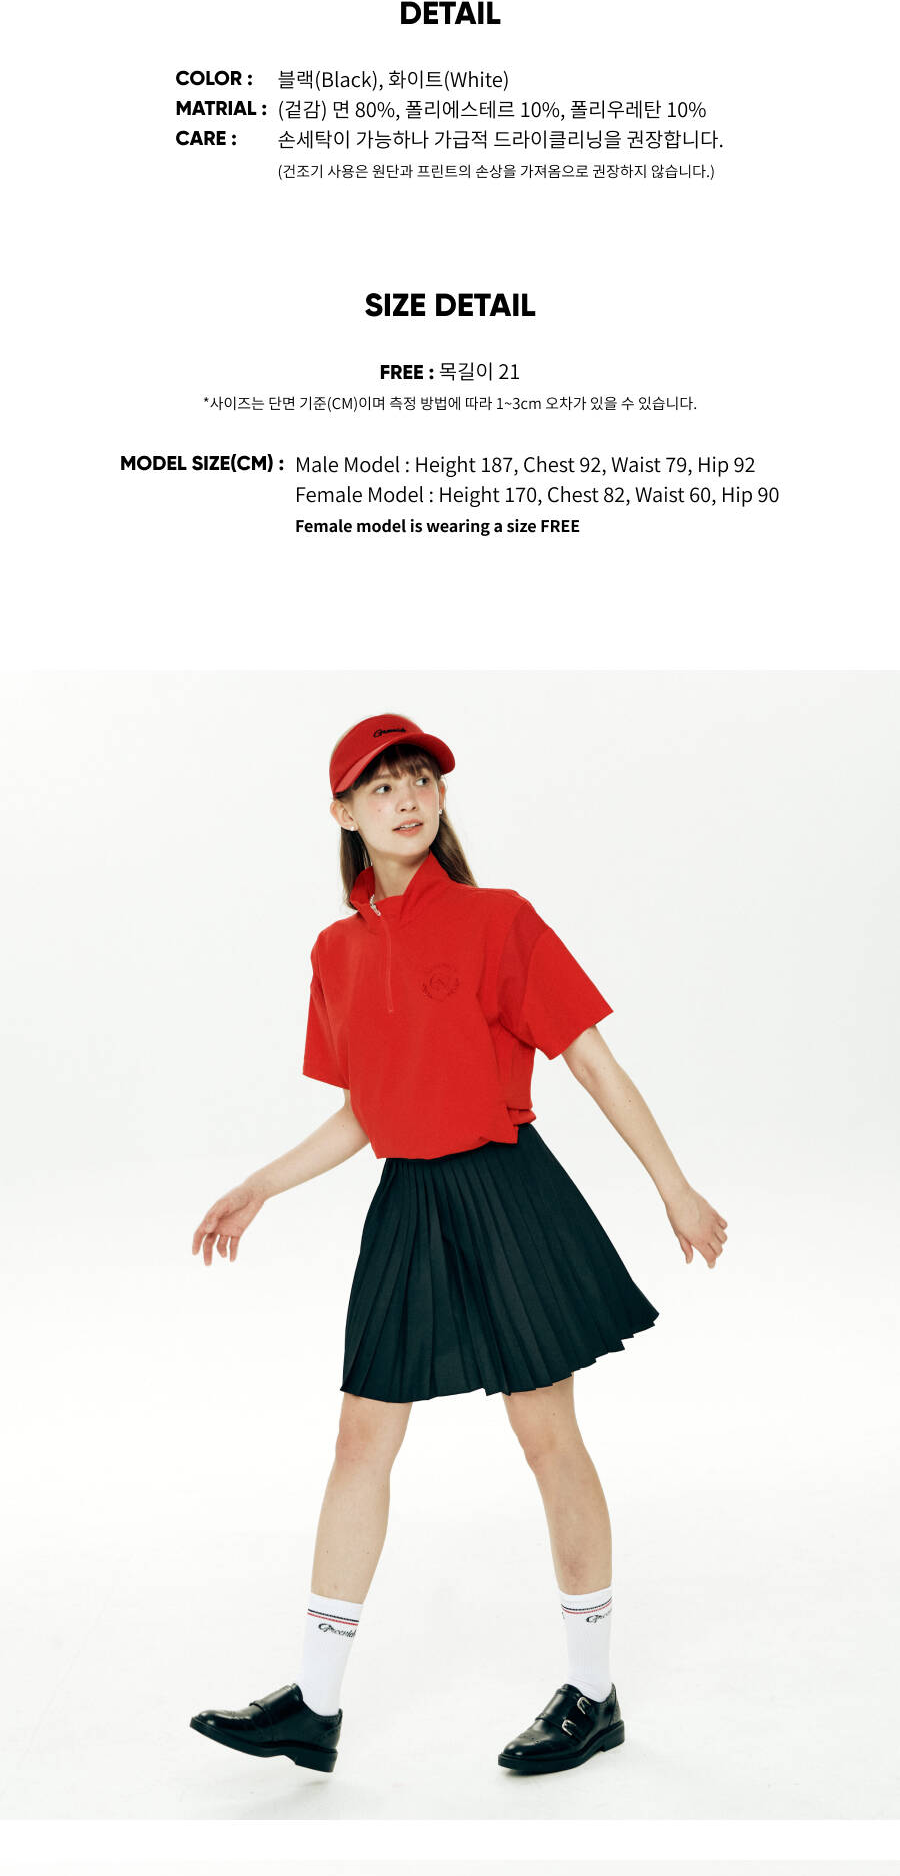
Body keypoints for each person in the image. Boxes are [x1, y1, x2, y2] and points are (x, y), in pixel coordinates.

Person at [189, 711, 726, 1785]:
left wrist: (674, 1186)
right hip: (409, 1204)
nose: (408, 798)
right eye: (382, 785)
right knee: (360, 1441)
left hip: (508, 1192)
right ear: (344, 812)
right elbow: (367, 1110)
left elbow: (591, 1060)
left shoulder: (497, 920)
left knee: (547, 1437)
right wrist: (261, 1184)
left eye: (422, 780)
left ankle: (593, 1694)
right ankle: (315, 1704)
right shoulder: (336, 951)